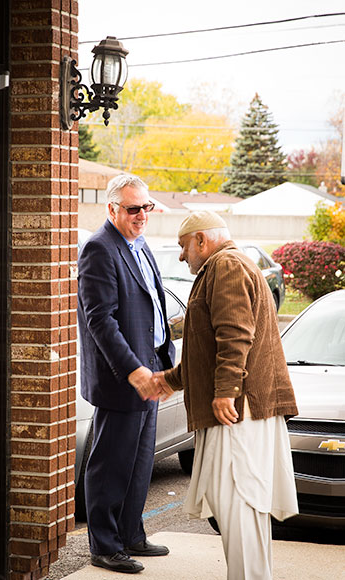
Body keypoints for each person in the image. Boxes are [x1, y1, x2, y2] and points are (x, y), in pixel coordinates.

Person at [155, 211, 299, 580]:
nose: (183, 256)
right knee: (239, 506)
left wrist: (225, 394)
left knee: (238, 503)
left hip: (238, 412)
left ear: (201, 239)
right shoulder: (229, 264)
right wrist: (168, 380)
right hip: (242, 410)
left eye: (183, 246)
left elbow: (234, 336)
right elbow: (208, 351)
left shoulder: (227, 266)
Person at [77, 173, 175, 574]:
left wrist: (163, 361)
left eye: (146, 207)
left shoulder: (139, 244)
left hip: (152, 366)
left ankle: (131, 533)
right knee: (110, 464)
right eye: (133, 208)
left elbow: (153, 304)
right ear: (112, 208)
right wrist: (135, 371)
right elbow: (100, 320)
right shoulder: (100, 249)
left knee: (139, 461)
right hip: (124, 377)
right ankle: (104, 545)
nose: (141, 215)